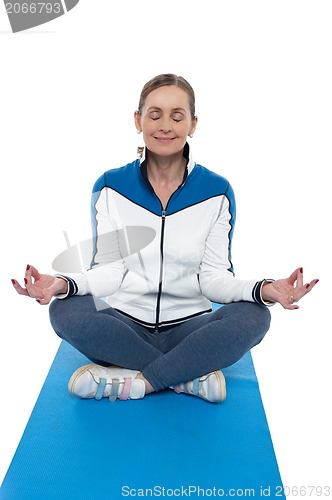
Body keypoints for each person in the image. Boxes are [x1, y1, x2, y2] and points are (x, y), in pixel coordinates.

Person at [11, 74, 318, 404]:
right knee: (65, 309)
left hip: (190, 330)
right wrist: (60, 283)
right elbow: (108, 273)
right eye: (154, 115)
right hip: (123, 329)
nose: (165, 126)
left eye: (177, 116)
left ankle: (139, 380)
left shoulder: (218, 192)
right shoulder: (110, 186)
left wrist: (265, 289)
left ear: (193, 124)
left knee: (256, 315)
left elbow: (214, 279)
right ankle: (185, 376)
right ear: (137, 120)